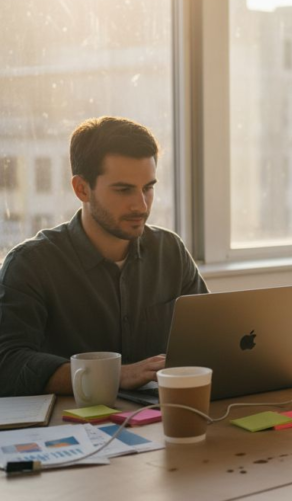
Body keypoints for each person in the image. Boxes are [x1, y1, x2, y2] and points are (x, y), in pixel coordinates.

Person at [0, 116, 208, 397]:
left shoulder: (170, 251)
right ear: (81, 189)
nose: (141, 205)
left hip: (160, 418)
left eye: (148, 187)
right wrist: (115, 374)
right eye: (123, 190)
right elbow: (8, 365)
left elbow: (211, 340)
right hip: (71, 427)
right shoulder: (30, 265)